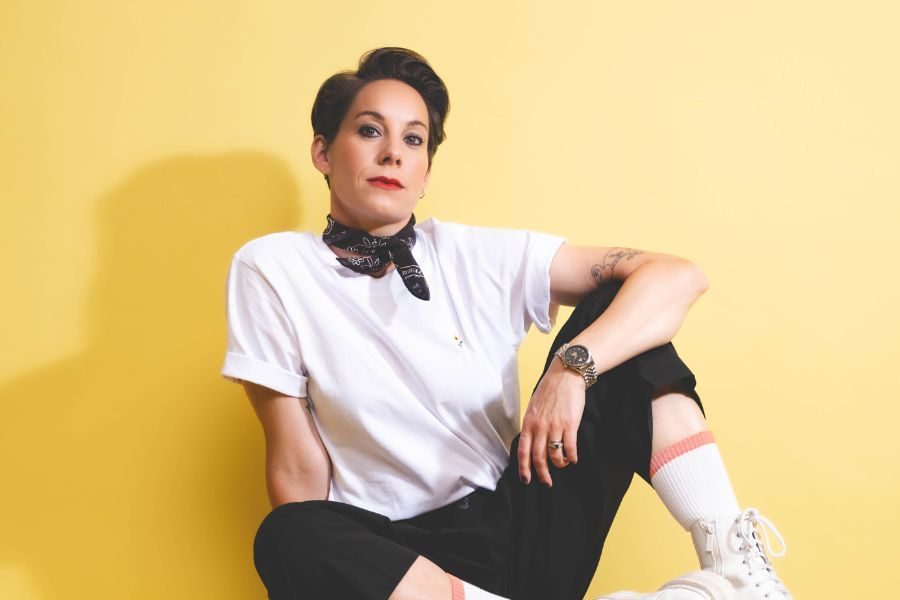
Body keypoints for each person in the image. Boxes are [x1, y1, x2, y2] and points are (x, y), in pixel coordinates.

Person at [220, 47, 793, 600]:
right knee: (291, 532)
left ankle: (737, 569)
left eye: (413, 139)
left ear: (424, 172)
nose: (392, 152)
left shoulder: (475, 255)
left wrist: (572, 370)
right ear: (323, 152)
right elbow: (296, 464)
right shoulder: (272, 268)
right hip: (402, 562)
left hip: (519, 527)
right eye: (370, 131)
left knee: (620, 319)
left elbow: (678, 277)